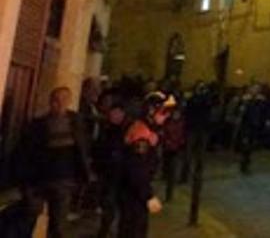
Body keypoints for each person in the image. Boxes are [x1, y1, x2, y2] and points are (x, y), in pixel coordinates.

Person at [14, 85, 93, 238]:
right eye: (56, 100)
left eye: (63, 100)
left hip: (64, 180)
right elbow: (26, 152)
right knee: (28, 219)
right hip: (39, 179)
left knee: (58, 225)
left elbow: (83, 148)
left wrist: (83, 173)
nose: (59, 104)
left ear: (69, 101)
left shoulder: (76, 122)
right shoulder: (39, 125)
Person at [117, 94, 169, 238]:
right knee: (133, 229)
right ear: (151, 111)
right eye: (163, 113)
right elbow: (136, 168)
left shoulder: (148, 129)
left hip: (135, 189)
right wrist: (148, 195)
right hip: (133, 191)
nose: (165, 117)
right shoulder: (141, 132)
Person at [93, 97, 128, 238]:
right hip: (107, 172)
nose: (113, 116)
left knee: (112, 204)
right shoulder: (106, 129)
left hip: (118, 174)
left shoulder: (124, 131)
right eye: (112, 113)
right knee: (108, 204)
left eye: (117, 113)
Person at [160, 104, 186, 201]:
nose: (176, 114)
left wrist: (181, 143)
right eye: (174, 113)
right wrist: (166, 140)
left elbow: (183, 135)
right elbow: (163, 132)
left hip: (176, 149)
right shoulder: (167, 122)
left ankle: (169, 194)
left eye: (177, 113)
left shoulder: (182, 123)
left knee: (172, 171)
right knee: (167, 167)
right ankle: (165, 176)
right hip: (167, 148)